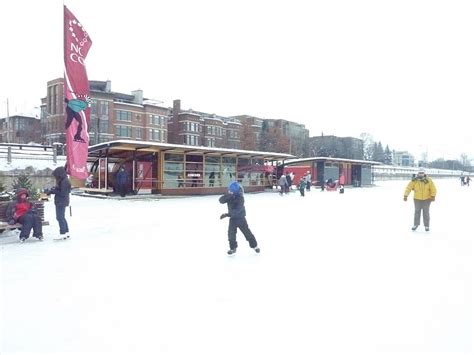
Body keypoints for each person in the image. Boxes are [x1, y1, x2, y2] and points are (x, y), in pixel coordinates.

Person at [219, 181, 260, 255]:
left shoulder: (240, 198)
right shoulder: (230, 196)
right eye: (229, 190)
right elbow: (221, 200)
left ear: (235, 191)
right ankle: (232, 248)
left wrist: (227, 214)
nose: (229, 191)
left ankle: (255, 246)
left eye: (231, 191)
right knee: (231, 234)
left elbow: (236, 211)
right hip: (233, 219)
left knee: (247, 233)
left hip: (241, 219)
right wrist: (228, 195)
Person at [46, 166, 72, 240]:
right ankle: (66, 232)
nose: (55, 178)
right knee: (62, 217)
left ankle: (63, 233)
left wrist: (52, 191)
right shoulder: (63, 180)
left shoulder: (64, 181)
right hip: (61, 201)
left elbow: (63, 193)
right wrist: (53, 189)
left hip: (61, 201)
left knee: (59, 217)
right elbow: (60, 189)